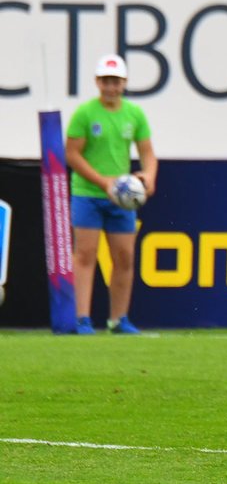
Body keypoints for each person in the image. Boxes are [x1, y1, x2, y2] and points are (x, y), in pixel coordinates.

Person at [64, 54, 158, 335]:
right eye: (106, 81)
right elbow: (72, 154)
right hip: (87, 193)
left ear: (124, 83)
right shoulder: (85, 113)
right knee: (85, 254)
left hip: (121, 197)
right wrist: (102, 181)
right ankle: (81, 318)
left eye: (116, 82)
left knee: (124, 257)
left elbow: (147, 153)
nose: (111, 87)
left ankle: (119, 319)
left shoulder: (134, 114)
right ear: (97, 82)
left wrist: (149, 176)